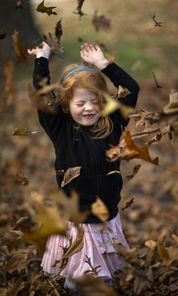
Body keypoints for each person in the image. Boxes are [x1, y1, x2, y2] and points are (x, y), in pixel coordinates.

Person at [28, 41, 140, 290]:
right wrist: (42, 59)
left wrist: (104, 65)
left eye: (95, 101)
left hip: (106, 216)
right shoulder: (61, 128)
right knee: (81, 278)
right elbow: (42, 96)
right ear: (66, 105)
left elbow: (131, 88)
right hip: (78, 220)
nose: (89, 108)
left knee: (103, 275)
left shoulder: (112, 123)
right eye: (80, 104)